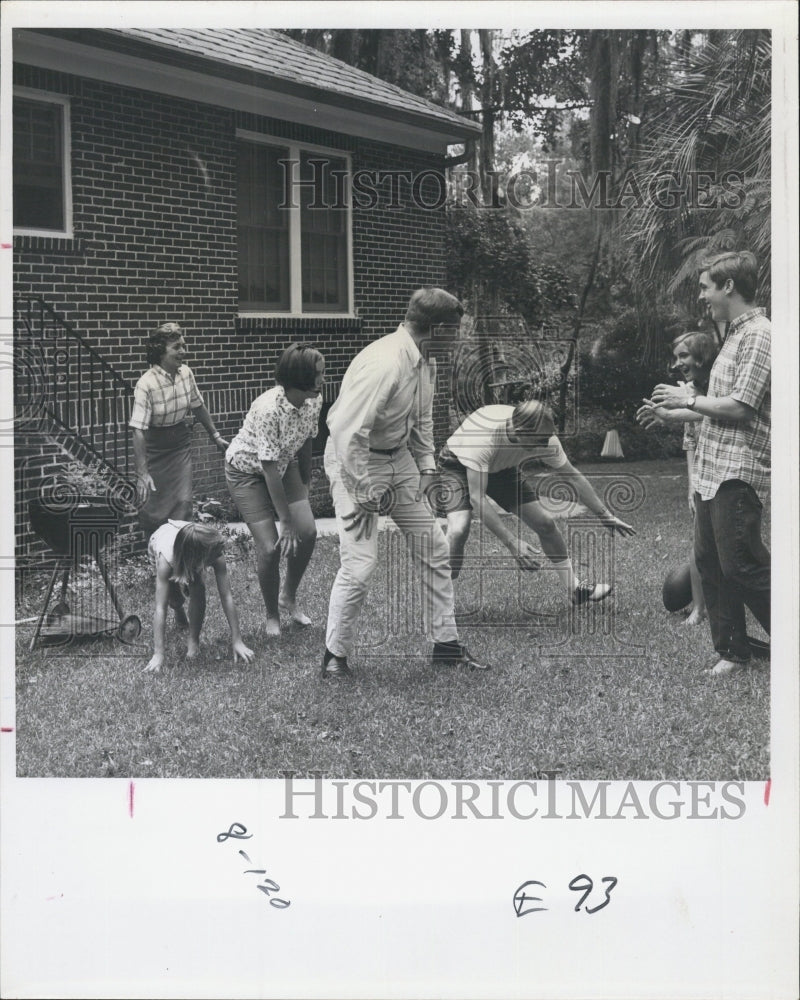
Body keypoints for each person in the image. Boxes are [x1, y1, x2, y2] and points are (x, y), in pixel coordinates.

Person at [322, 287, 488, 679]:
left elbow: (423, 422)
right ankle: (334, 657)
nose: (459, 339)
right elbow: (346, 432)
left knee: (434, 547)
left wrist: (427, 471)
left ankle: (446, 646)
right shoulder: (385, 362)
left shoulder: (425, 362)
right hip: (354, 463)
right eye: (456, 331)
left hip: (398, 460)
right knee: (361, 566)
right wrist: (364, 488)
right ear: (437, 329)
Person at [646, 251, 770, 676]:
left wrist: (688, 398)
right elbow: (713, 408)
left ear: (729, 287)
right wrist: (675, 413)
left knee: (743, 564)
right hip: (712, 470)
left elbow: (740, 409)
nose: (702, 296)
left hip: (740, 469)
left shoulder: (759, 335)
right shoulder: (732, 336)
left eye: (705, 287)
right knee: (711, 564)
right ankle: (733, 651)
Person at [435, 400, 635, 602]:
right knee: (459, 529)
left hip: (501, 469)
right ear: (519, 431)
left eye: (547, 438)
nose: (545, 445)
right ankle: (441, 598)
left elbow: (572, 476)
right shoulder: (484, 436)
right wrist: (512, 543)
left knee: (545, 523)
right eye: (540, 440)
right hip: (457, 464)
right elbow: (478, 498)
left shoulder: (545, 439)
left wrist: (605, 515)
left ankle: (575, 589)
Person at [225, 344, 324, 636]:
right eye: (318, 374)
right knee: (270, 547)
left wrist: (304, 484)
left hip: (284, 463)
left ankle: (287, 596)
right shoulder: (269, 409)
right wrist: (286, 522)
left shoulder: (313, 399)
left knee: (307, 532)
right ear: (301, 376)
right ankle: (271, 615)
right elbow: (267, 470)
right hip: (246, 472)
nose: (323, 380)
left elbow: (307, 440)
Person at [638, 330, 720, 625]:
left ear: (702, 355)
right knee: (699, 545)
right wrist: (691, 483)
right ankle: (699, 609)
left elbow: (715, 413)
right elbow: (690, 442)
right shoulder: (686, 390)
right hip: (703, 477)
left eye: (683, 355)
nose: (677, 363)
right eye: (676, 357)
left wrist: (673, 413)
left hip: (728, 474)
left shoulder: (717, 387)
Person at [130, 321, 228, 534]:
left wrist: (215, 435)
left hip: (179, 445)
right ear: (160, 352)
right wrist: (142, 473)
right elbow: (138, 429)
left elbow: (198, 405)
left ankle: (180, 552)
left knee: (183, 501)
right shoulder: (145, 384)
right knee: (153, 506)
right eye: (177, 347)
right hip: (154, 448)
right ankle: (155, 553)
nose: (184, 351)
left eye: (184, 345)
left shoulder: (186, 374)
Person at [145, 520, 254, 673]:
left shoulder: (214, 552)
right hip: (160, 540)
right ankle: (178, 608)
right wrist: (158, 654)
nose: (220, 555)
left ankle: (193, 640)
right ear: (201, 557)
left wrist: (237, 640)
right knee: (172, 597)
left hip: (185, 543)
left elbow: (227, 596)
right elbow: (159, 608)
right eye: (216, 554)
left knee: (198, 587)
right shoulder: (166, 561)